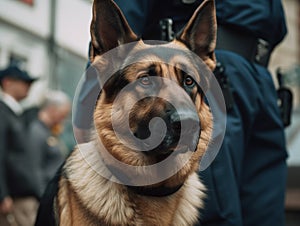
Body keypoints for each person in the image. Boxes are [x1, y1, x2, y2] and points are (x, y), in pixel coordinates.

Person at [73, 0, 288, 225]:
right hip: (195, 79)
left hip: (261, 83)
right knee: (216, 215)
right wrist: (88, 118)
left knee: (267, 215)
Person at [0, 65, 39, 226]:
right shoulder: (3, 113)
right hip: (13, 198)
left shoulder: (15, 114)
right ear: (7, 82)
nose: (28, 87)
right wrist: (2, 195)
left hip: (21, 196)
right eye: (24, 82)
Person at [27, 90, 71, 199]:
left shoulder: (50, 131)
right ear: (52, 109)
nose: (63, 119)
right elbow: (35, 168)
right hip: (43, 194)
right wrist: (43, 197)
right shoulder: (37, 131)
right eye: (62, 115)